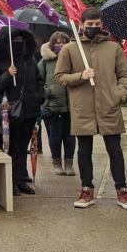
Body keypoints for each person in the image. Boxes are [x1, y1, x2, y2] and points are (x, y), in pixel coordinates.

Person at [55, 8, 127, 209]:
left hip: (109, 106)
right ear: (82, 24)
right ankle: (86, 189)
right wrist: (80, 76)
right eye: (89, 24)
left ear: (102, 24)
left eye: (96, 24)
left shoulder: (113, 48)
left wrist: (118, 95)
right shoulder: (70, 49)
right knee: (84, 150)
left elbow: (126, 75)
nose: (93, 27)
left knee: (115, 149)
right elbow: (59, 77)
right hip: (83, 108)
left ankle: (122, 190)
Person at [0, 26, 44, 195]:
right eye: (14, 40)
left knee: (22, 147)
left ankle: (20, 180)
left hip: (30, 110)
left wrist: (40, 97)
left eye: (21, 40)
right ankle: (9, 182)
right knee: (10, 148)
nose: (18, 43)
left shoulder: (30, 60)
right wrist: (7, 74)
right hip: (9, 112)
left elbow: (39, 80)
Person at [38, 31, 76, 176]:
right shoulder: (46, 61)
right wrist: (47, 92)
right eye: (57, 42)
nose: (60, 44)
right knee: (55, 136)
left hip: (72, 105)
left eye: (63, 41)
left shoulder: (73, 59)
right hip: (53, 106)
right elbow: (38, 80)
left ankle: (69, 164)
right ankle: (56, 163)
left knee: (70, 137)